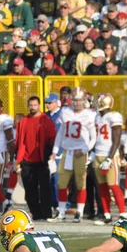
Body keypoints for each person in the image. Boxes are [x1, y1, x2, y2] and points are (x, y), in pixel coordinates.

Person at [49, 87, 96, 223]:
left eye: (80, 100)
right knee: (61, 183)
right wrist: (54, 150)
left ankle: (79, 212)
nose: (77, 103)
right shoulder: (65, 112)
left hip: (80, 154)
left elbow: (94, 138)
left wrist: (84, 150)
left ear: (84, 101)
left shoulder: (89, 114)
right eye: (75, 100)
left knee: (81, 184)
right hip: (66, 151)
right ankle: (62, 212)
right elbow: (60, 133)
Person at [16, 96, 57, 222]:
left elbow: (52, 138)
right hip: (27, 161)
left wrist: (49, 155)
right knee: (29, 190)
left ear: (39, 106)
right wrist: (17, 159)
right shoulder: (24, 121)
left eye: (35, 105)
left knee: (44, 189)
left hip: (41, 160)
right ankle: (36, 214)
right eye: (31, 105)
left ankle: (46, 214)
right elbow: (19, 141)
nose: (33, 107)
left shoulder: (46, 120)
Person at [93, 93, 127, 224]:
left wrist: (110, 157)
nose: (96, 103)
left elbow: (117, 138)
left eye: (99, 101)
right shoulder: (97, 117)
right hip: (98, 154)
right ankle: (106, 215)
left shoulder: (114, 116)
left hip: (109, 155)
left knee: (113, 185)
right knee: (101, 186)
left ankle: (123, 214)